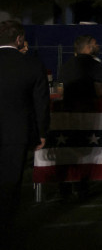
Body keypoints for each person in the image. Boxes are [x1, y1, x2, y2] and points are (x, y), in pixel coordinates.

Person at [0, 21, 49, 230]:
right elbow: (41, 103)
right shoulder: (31, 64)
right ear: (19, 39)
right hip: (16, 133)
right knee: (11, 184)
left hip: (15, 132)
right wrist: (42, 132)